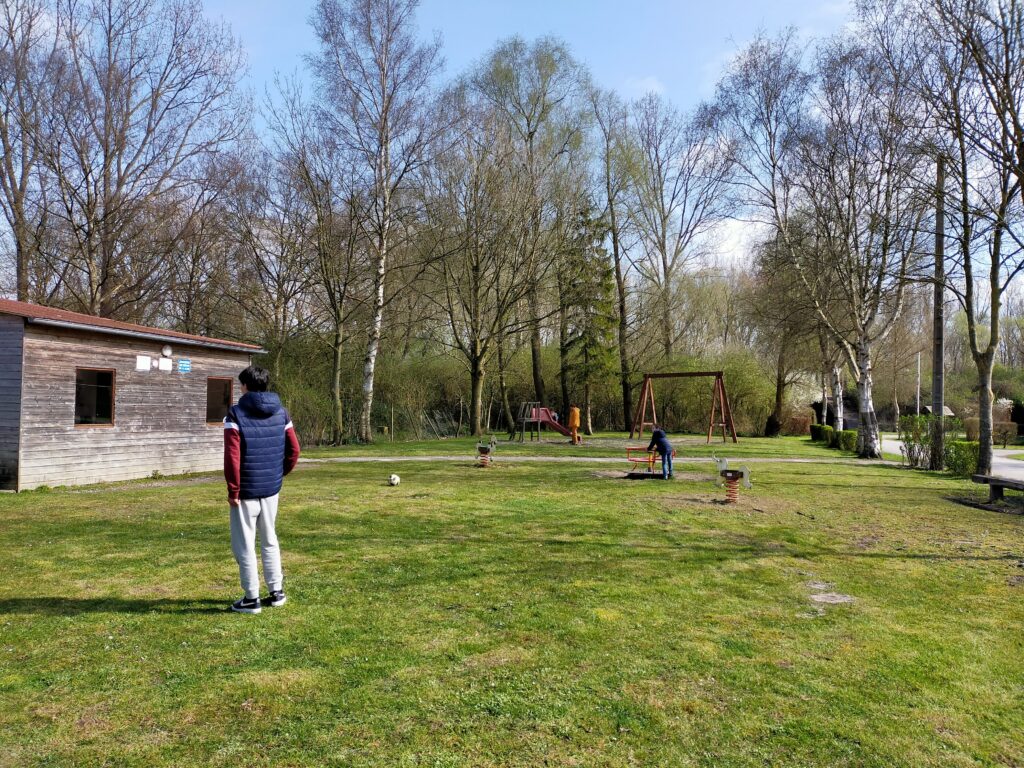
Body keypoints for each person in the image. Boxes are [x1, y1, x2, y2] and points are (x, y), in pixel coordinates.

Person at [223, 365, 301, 614]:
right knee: (270, 541)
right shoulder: (282, 412)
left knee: (244, 545)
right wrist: (279, 474)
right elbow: (294, 451)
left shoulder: (234, 415)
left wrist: (233, 490)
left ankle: (251, 598)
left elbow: (232, 458)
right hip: (271, 489)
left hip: (245, 491)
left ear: (245, 386)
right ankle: (276, 592)